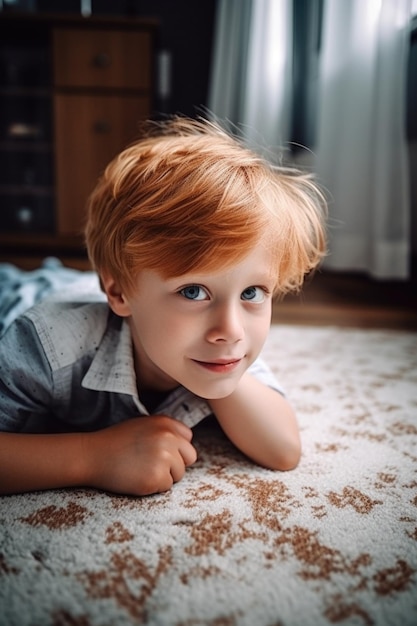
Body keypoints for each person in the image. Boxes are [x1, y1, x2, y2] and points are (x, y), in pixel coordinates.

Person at [0, 116, 327, 496]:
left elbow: (283, 450)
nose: (232, 329)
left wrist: (221, 382)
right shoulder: (48, 345)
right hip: (29, 296)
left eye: (252, 293)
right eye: (193, 292)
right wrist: (93, 457)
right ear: (120, 293)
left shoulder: (225, 344)